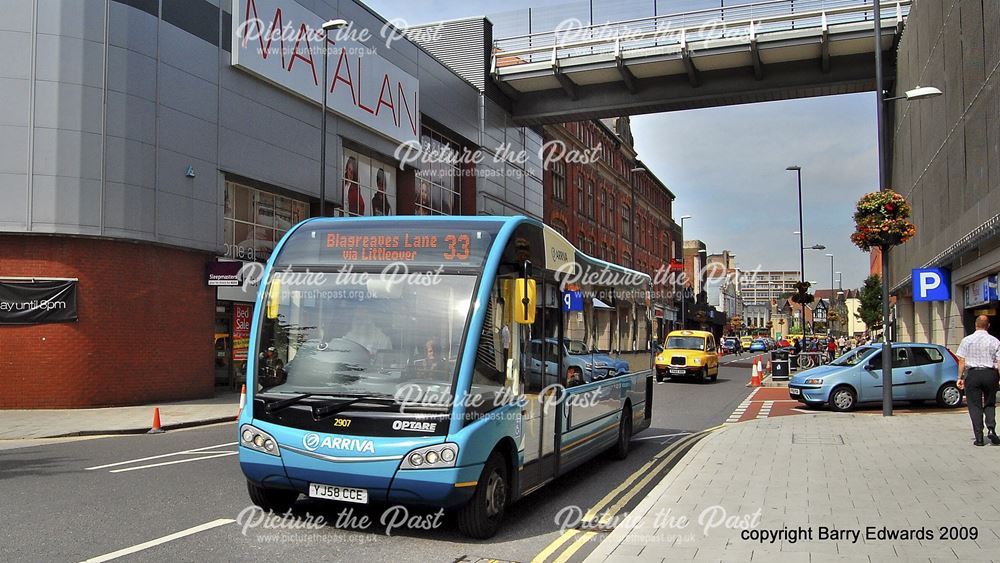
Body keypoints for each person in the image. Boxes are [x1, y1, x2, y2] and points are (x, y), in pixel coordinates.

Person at [955, 315, 1000, 447]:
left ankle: (979, 437)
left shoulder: (967, 340)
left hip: (973, 374)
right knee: (990, 402)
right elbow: (999, 361)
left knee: (974, 405)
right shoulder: (995, 341)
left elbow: (961, 360)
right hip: (990, 374)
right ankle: (991, 428)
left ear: (976, 325)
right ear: (988, 326)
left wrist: (960, 377)